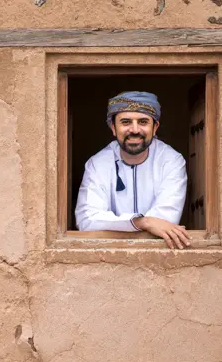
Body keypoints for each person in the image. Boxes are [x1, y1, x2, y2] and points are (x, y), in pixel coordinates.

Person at [74, 91, 191, 249]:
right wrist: (143, 222)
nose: (135, 130)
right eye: (126, 122)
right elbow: (86, 220)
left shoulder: (171, 161)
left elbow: (166, 220)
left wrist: (117, 225)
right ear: (113, 128)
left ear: (155, 127)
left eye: (143, 122)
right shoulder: (97, 164)